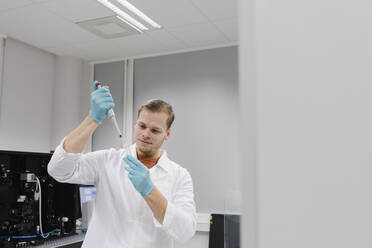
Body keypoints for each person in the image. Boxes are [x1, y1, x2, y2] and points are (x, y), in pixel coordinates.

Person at [47, 82, 197, 247]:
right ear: (135, 125)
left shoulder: (179, 175)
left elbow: (185, 231)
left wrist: (150, 191)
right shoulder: (108, 160)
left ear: (167, 134)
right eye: (142, 126)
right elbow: (58, 170)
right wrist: (93, 118)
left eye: (155, 131)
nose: (146, 134)